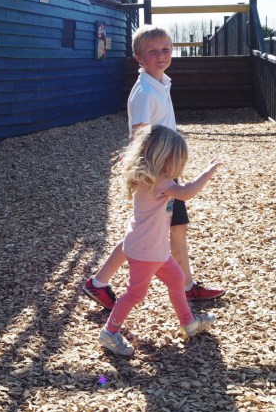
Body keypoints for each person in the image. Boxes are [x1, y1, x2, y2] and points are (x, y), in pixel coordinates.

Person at [83, 24, 226, 310]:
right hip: (156, 174)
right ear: (139, 57)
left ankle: (99, 283)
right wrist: (152, 175)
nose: (161, 56)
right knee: (158, 232)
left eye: (165, 50)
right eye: (152, 52)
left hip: (165, 168)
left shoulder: (160, 82)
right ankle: (185, 288)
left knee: (157, 232)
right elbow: (139, 134)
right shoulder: (145, 91)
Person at [98, 125, 223, 357]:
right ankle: (109, 332)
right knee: (135, 294)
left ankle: (188, 322)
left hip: (154, 249)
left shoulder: (150, 178)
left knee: (176, 279)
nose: (180, 165)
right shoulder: (160, 182)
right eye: (178, 159)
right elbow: (186, 193)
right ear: (163, 157)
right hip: (147, 252)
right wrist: (206, 174)